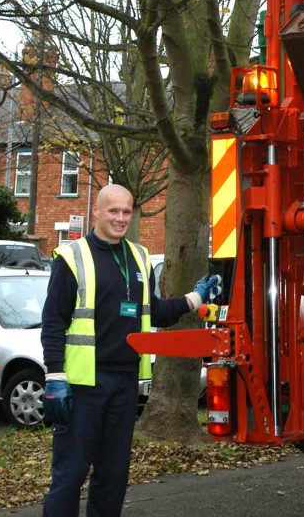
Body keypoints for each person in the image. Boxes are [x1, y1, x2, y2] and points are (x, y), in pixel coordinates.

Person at [40, 184, 218, 516]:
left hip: (124, 384)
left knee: (113, 476)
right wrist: (55, 377)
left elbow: (152, 310)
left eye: (126, 211)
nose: (121, 218)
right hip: (82, 386)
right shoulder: (72, 257)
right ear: (97, 211)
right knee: (70, 474)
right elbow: (53, 321)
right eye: (113, 211)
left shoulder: (139, 256)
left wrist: (195, 299)